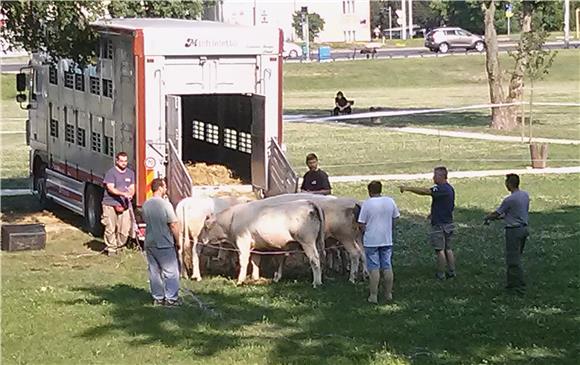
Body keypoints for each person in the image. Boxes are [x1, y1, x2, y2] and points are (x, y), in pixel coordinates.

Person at [399, 166, 456, 280]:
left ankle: (441, 274)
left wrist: (408, 188)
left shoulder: (440, 189)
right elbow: (446, 205)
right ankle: (452, 271)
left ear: (441, 176)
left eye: (435, 175)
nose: (433, 177)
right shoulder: (449, 188)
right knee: (448, 248)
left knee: (440, 250)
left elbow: (425, 191)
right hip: (448, 222)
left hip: (440, 225)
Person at [484, 174, 530, 294]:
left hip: (513, 230)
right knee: (517, 256)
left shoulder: (509, 199)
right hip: (524, 228)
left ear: (509, 184)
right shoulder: (525, 195)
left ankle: (517, 285)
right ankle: (514, 282)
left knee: (512, 259)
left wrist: (488, 217)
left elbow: (498, 213)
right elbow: (512, 213)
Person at [141, 178, 182, 307]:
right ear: (160, 188)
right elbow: (173, 224)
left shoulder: (146, 204)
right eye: (164, 187)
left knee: (154, 271)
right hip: (164, 242)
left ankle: (158, 297)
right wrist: (178, 240)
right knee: (171, 272)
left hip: (150, 242)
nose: (166, 190)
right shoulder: (165, 204)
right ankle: (171, 299)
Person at [358, 181, 400, 304]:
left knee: (374, 269)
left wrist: (365, 230)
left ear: (369, 191)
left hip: (371, 240)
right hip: (386, 239)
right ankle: (388, 294)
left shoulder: (367, 204)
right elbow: (395, 217)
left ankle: (373, 295)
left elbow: (361, 223)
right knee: (387, 266)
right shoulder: (390, 201)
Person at [102, 151, 135, 256]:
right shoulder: (111, 173)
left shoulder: (130, 173)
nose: (124, 163)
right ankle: (111, 248)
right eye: (121, 161)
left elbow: (132, 187)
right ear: (117, 161)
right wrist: (123, 193)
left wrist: (130, 194)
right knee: (110, 227)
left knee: (125, 228)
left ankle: (120, 245)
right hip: (110, 203)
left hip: (124, 205)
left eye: (125, 161)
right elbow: (110, 188)